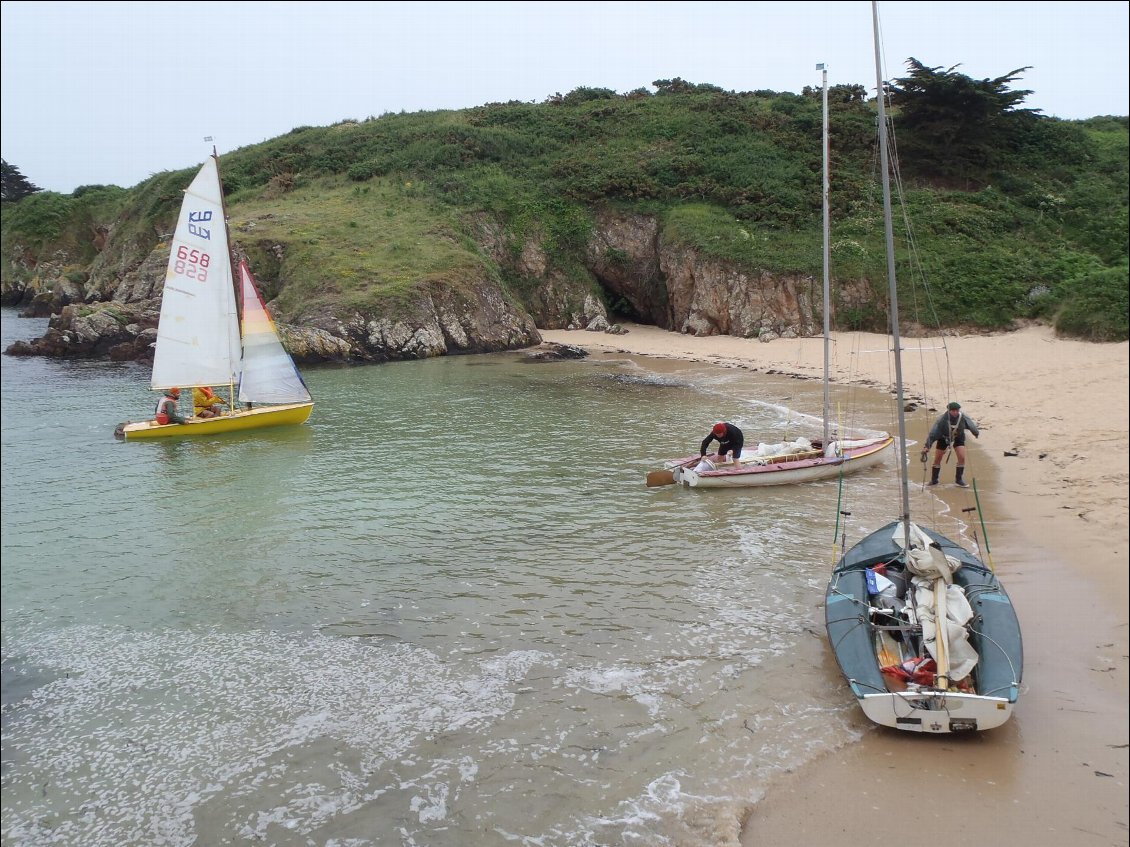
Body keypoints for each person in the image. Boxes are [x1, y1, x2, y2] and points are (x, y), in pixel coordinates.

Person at [921, 401, 980, 487]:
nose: (955, 412)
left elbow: (971, 425)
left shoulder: (963, 417)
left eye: (957, 410)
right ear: (949, 410)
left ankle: (959, 480)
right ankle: (934, 480)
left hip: (958, 437)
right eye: (953, 411)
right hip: (943, 438)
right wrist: (927, 446)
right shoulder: (941, 420)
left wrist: (975, 433)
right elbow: (933, 433)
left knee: (962, 457)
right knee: (937, 459)